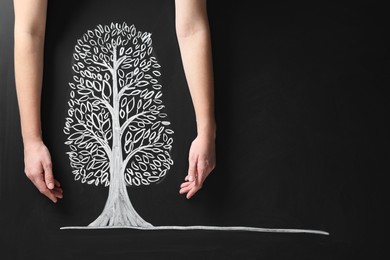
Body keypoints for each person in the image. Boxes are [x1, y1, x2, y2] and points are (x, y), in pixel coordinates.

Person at [13, 0, 216, 202]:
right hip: (63, 101)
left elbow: (192, 28)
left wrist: (207, 132)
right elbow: (28, 31)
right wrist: (31, 141)